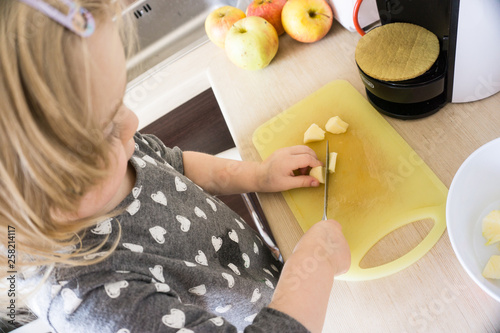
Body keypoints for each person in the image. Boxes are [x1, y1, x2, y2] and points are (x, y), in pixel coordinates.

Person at [0, 1, 351, 332]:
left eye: (120, 101)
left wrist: (258, 175)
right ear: (34, 193)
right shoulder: (93, 303)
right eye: (106, 126)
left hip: (273, 282)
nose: (133, 122)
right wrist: (314, 264)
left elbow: (176, 165)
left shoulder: (118, 153)